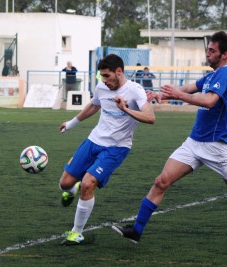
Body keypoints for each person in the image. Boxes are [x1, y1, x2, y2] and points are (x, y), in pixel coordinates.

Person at [112, 31, 227, 244]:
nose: (207, 54)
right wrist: (163, 94)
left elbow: (209, 101)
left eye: (212, 51)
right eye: (208, 49)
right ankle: (136, 231)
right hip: (194, 143)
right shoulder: (212, 74)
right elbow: (191, 88)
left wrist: (178, 95)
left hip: (217, 146)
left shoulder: (226, 74)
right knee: (161, 181)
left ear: (224, 55)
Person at [59, 54, 155, 246]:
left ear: (119, 72)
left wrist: (125, 109)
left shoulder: (135, 90)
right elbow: (94, 106)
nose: (104, 81)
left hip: (116, 148)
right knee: (64, 183)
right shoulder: (102, 87)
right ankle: (72, 189)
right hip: (93, 141)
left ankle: (76, 233)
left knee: (88, 183)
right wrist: (71, 123)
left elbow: (150, 117)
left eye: (107, 76)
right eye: (102, 76)